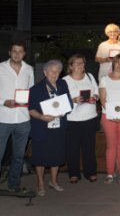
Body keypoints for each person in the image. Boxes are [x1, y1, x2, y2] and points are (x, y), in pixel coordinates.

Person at [29, 60, 73, 197]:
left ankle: (53, 181)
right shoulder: (35, 89)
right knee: (40, 156)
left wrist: (64, 110)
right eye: (52, 71)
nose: (54, 74)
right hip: (42, 127)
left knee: (56, 155)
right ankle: (40, 183)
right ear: (45, 72)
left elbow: (69, 103)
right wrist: (42, 117)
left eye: (57, 71)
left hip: (58, 127)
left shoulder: (62, 84)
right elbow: (30, 110)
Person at [0, 42, 34, 193]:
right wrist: (3, 102)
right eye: (14, 51)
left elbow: (30, 91)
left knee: (19, 156)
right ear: (9, 52)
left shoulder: (29, 69)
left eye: (20, 51)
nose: (17, 54)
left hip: (23, 118)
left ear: (24, 54)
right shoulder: (0, 68)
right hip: (3, 118)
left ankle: (14, 184)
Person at [63, 54, 99, 184]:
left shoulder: (90, 76)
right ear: (71, 66)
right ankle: (73, 173)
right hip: (72, 119)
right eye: (77, 63)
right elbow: (61, 101)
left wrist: (95, 97)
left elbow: (97, 92)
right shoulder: (65, 80)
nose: (80, 65)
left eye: (82, 63)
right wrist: (73, 100)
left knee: (89, 148)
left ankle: (90, 172)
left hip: (89, 117)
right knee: (72, 148)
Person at [99, 54, 120, 184]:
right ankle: (110, 174)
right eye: (117, 62)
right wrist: (113, 115)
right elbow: (102, 99)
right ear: (113, 64)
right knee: (111, 145)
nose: (119, 65)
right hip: (108, 116)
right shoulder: (104, 79)